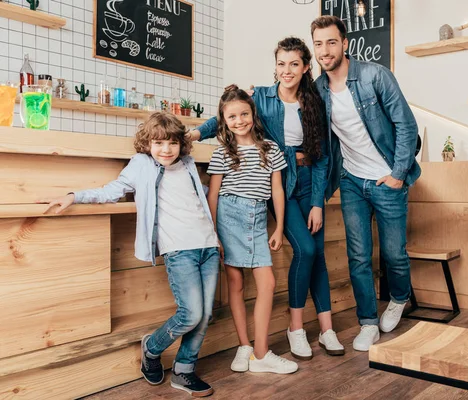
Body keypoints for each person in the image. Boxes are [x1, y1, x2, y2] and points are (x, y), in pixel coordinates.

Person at [39, 112, 219, 397]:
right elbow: (112, 190)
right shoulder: (141, 165)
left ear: (180, 145)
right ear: (147, 143)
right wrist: (74, 195)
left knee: (206, 314)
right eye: (159, 143)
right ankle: (152, 347)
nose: (166, 149)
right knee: (191, 314)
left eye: (172, 142)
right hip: (178, 250)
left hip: (207, 246)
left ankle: (184, 371)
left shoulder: (186, 164)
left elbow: (202, 197)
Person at [188, 37, 344, 361]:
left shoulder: (314, 102)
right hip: (278, 183)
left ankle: (327, 328)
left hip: (308, 180)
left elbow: (323, 155)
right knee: (307, 248)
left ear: (305, 67)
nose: (287, 70)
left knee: (318, 256)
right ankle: (295, 327)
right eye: (281, 63)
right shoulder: (259, 96)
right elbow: (227, 114)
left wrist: (318, 201)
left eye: (294, 64)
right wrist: (194, 134)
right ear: (275, 66)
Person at [310, 15, 421, 351]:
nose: (325, 50)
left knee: (393, 254)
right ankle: (368, 322)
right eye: (318, 44)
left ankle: (399, 298)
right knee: (357, 256)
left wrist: (398, 175)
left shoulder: (375, 76)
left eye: (331, 42)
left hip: (387, 179)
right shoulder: (317, 89)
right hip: (353, 182)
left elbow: (407, 125)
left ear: (345, 44)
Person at [206, 84, 299, 374]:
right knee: (235, 284)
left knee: (267, 283)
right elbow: (213, 195)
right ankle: (245, 346)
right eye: (232, 117)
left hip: (258, 217)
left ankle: (261, 354)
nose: (239, 121)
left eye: (244, 114)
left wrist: (280, 226)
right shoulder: (222, 153)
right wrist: (214, 235)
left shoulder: (270, 149)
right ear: (224, 121)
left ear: (252, 114)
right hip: (228, 216)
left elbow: (278, 192)